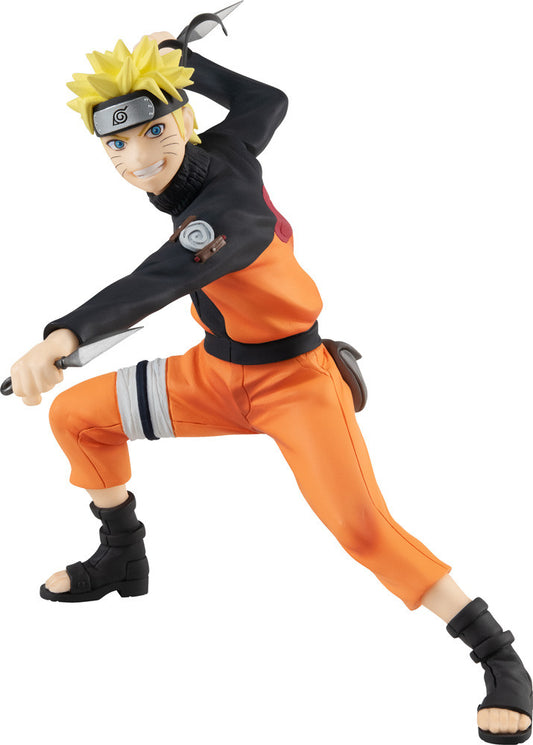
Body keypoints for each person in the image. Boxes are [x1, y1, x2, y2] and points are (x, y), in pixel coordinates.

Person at [8, 30, 531, 744]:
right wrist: (183, 59)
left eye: (154, 130)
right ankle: (122, 552)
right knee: (76, 417)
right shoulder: (227, 149)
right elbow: (268, 101)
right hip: (212, 374)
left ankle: (499, 657)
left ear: (183, 120)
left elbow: (159, 278)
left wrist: (65, 336)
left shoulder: (230, 212)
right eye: (116, 144)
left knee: (362, 529)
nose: (137, 158)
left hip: (294, 384)